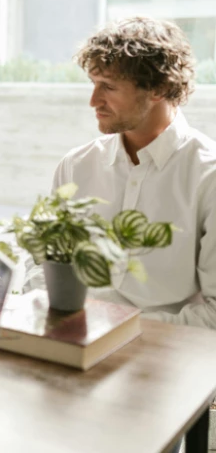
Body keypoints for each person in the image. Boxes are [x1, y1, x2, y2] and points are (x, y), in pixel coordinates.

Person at [48, 16, 216, 328]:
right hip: (72, 342)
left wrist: (115, 330)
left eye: (108, 87)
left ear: (159, 89)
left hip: (168, 357)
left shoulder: (209, 177)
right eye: (94, 84)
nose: (93, 101)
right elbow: (46, 266)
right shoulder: (75, 166)